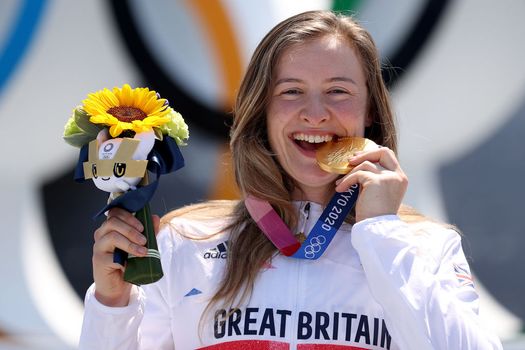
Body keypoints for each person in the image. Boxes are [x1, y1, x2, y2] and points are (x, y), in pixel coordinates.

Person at [79, 10, 503, 349]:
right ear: (262, 112)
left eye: (338, 91)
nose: (315, 113)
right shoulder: (184, 241)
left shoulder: (424, 246)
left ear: (369, 111)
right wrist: (112, 306)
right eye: (291, 91)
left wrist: (381, 233)